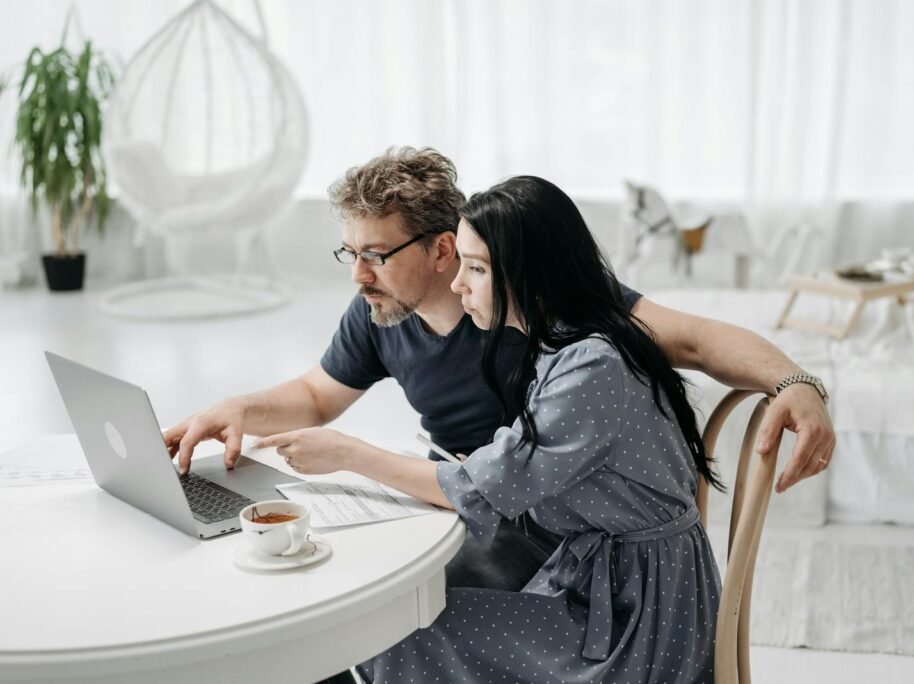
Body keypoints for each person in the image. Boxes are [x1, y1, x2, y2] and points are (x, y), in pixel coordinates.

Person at [164, 147, 834, 595]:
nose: (356, 274)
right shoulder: (378, 309)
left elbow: (688, 340)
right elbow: (315, 393)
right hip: (469, 497)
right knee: (332, 580)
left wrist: (796, 383)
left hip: (547, 527)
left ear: (442, 251)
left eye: (374, 253)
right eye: (348, 251)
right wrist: (232, 412)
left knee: (382, 606)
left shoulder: (545, 309)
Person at [276, 175, 725, 682]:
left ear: (529, 275)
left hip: (639, 613)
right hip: (604, 580)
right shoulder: (563, 347)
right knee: (403, 618)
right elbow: (540, 467)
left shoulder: (591, 367)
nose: (457, 283)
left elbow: (478, 490)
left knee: (400, 630)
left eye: (476, 268)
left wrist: (347, 453)